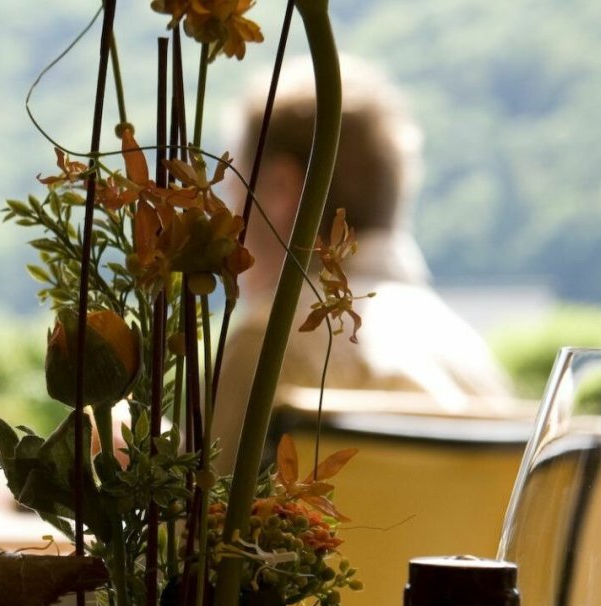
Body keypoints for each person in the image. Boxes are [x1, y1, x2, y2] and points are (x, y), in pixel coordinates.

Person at [210, 56, 513, 471]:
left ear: (281, 190)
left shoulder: (268, 347)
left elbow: (193, 531)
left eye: (233, 191)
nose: (226, 221)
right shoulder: (474, 362)